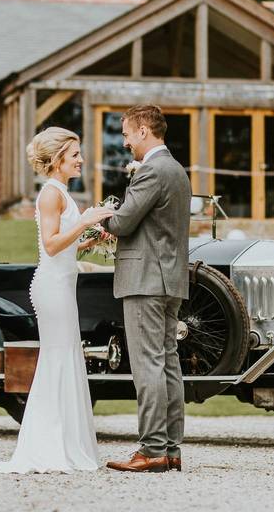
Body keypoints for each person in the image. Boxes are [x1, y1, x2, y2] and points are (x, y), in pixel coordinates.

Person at [0, 127, 113, 474]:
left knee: (66, 359)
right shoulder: (51, 194)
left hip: (62, 284)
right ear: (57, 160)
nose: (81, 160)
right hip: (51, 287)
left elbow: (64, 246)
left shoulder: (62, 193)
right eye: (74, 154)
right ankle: (50, 447)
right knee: (58, 360)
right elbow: (50, 246)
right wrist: (84, 222)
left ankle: (65, 444)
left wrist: (90, 237)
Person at [103, 105, 191, 473]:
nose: (124, 142)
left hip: (145, 280)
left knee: (148, 365)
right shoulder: (177, 170)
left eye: (125, 134)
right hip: (169, 279)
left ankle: (151, 448)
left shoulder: (152, 170)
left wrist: (99, 216)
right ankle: (170, 448)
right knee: (168, 362)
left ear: (143, 131)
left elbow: (123, 222)